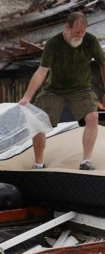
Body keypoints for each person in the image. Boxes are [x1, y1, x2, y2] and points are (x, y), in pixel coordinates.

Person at [19, 11, 105, 170]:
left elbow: (103, 64)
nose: (80, 35)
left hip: (81, 89)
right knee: (39, 120)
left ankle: (86, 161)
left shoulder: (90, 41)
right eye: (77, 32)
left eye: (83, 32)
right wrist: (27, 97)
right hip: (54, 89)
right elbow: (41, 71)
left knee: (92, 117)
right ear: (67, 28)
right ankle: (39, 163)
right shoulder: (54, 44)